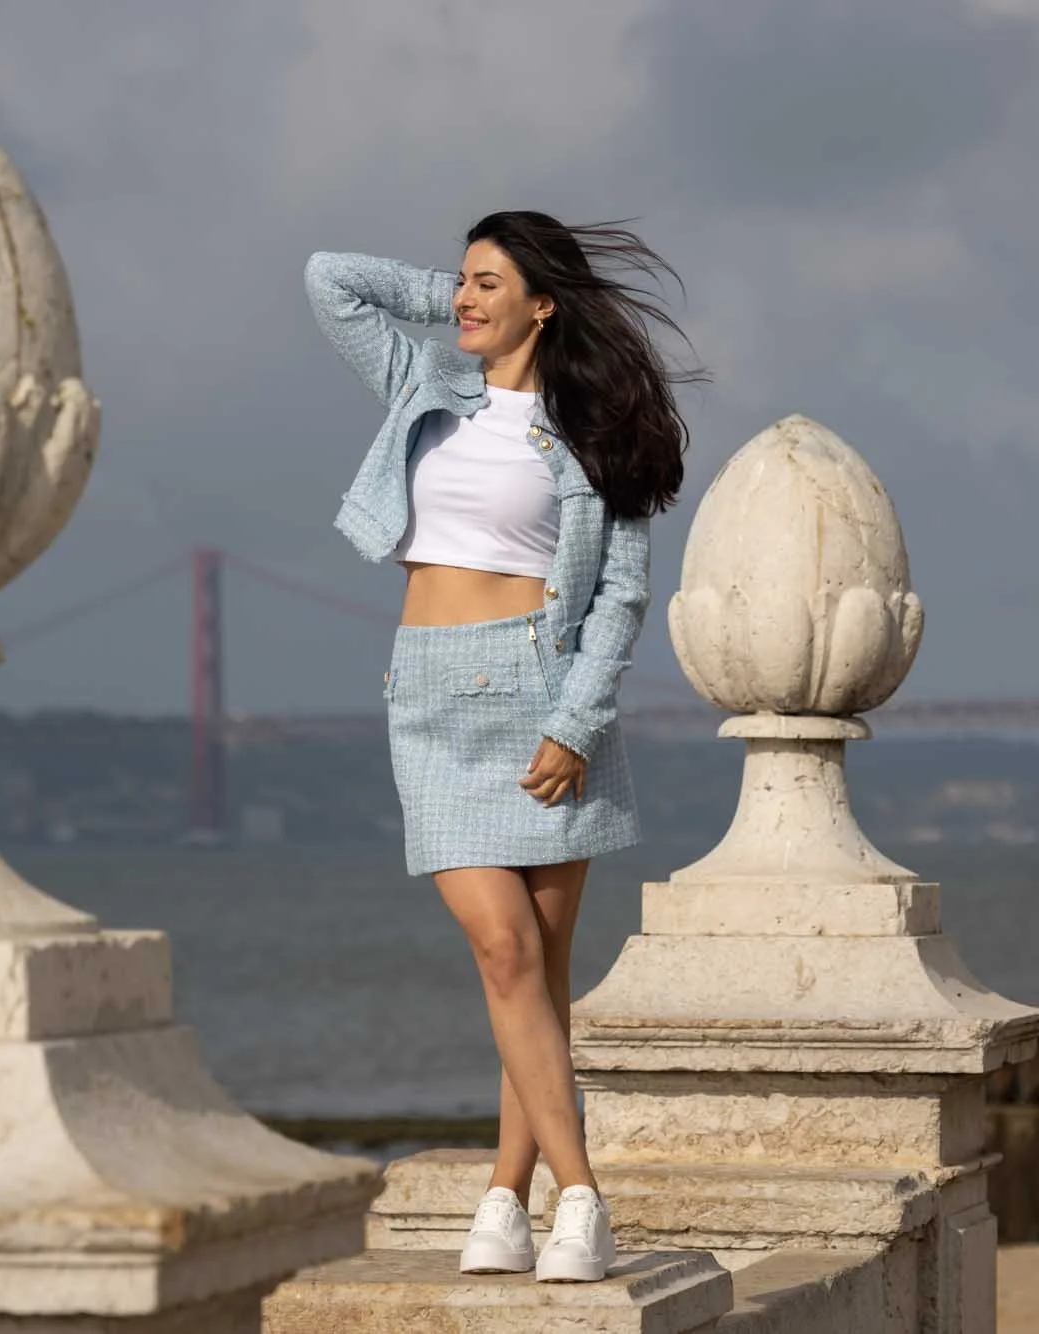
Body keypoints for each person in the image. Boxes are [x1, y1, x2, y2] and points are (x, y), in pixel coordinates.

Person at [304, 212, 696, 1282]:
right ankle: (580, 1195)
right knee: (502, 951)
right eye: (460, 283)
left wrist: (573, 722)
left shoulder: (595, 429)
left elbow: (617, 595)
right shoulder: (421, 385)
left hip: (539, 697)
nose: (466, 300)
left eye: (490, 284)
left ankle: (501, 1200)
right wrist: (461, 291)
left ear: (544, 301)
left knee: (532, 971)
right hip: (428, 698)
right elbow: (329, 275)